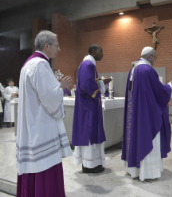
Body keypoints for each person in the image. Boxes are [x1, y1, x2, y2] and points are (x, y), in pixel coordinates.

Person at [16, 30, 73, 197]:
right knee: (45, 167)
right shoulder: (41, 64)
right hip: (41, 128)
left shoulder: (28, 64)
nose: (59, 49)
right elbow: (50, 99)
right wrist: (61, 88)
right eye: (57, 45)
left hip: (31, 125)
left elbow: (41, 92)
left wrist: (56, 85)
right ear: (46, 46)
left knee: (33, 166)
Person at [122, 46, 172, 181]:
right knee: (147, 137)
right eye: (155, 58)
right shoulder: (147, 69)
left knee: (134, 137)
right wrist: (169, 86)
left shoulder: (133, 69)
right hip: (146, 114)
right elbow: (159, 92)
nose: (155, 61)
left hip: (134, 114)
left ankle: (134, 170)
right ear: (149, 57)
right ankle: (148, 172)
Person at [72, 45, 111, 174]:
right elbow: (86, 85)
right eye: (101, 51)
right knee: (89, 133)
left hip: (90, 105)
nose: (102, 53)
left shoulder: (89, 64)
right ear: (94, 52)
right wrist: (101, 84)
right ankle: (88, 165)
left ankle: (93, 163)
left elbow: (90, 82)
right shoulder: (87, 65)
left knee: (93, 134)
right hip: (88, 107)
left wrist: (101, 82)